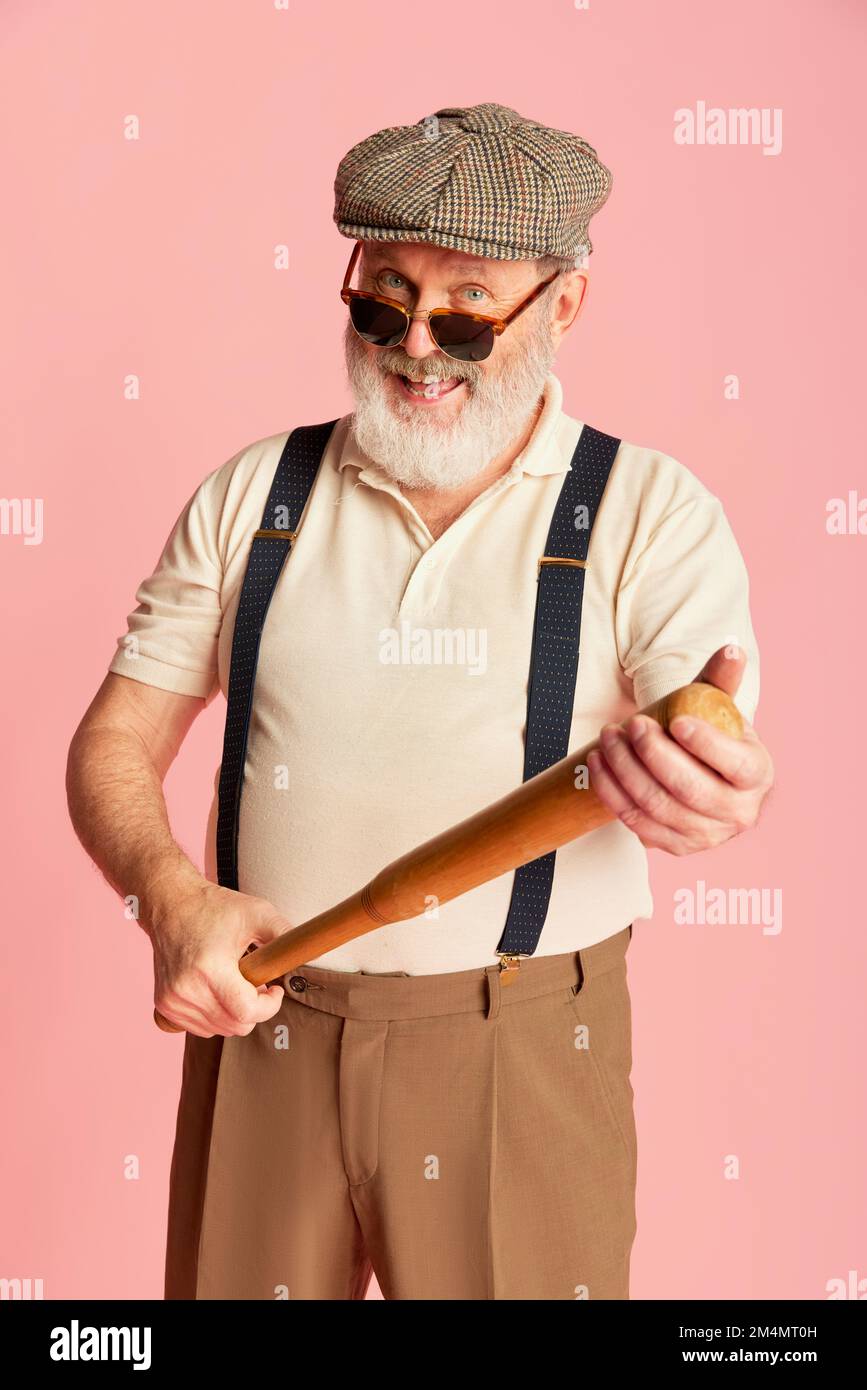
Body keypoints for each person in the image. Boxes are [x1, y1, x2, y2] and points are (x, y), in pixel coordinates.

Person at [66, 102, 774, 1301]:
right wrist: (168, 897)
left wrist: (708, 793)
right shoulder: (256, 494)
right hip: (268, 1033)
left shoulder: (650, 512)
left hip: (523, 1052)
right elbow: (116, 739)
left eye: (466, 312)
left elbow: (701, 744)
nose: (417, 350)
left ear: (564, 306)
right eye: (382, 298)